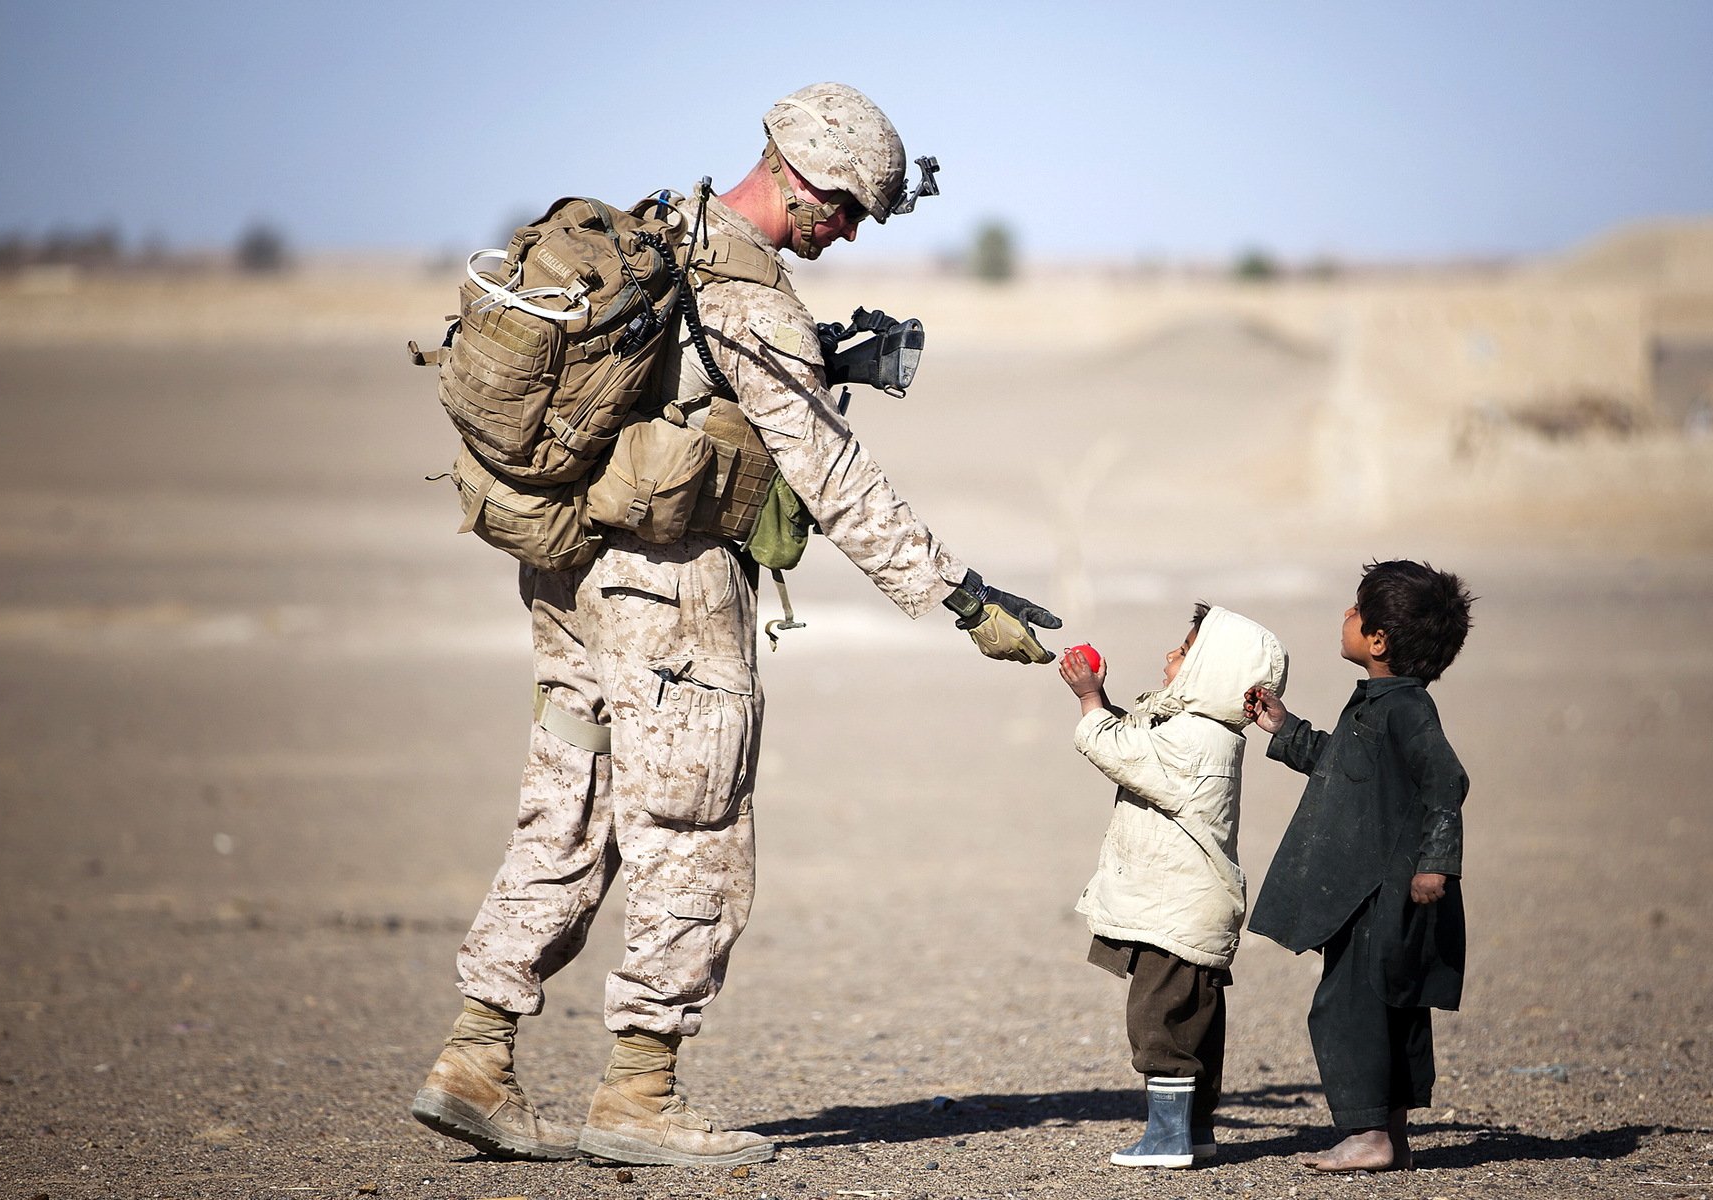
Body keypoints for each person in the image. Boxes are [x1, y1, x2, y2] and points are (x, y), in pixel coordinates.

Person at [411, 83, 1062, 1169]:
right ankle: (640, 1092)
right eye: (845, 210)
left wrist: (814, 367)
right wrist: (961, 596)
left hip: (570, 575)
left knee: (568, 807)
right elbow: (835, 477)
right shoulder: (752, 300)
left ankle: (476, 1055)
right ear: (799, 177)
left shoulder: (664, 234)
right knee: (695, 832)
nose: (847, 234)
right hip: (671, 596)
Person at [1243, 560, 1473, 1173]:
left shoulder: (1407, 710)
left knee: (1350, 1007)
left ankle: (1368, 1134)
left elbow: (1446, 781)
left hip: (1383, 891)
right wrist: (1284, 728)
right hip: (1368, 889)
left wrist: (1436, 863)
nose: (1345, 614)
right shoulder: (1378, 703)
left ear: (1378, 641)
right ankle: (1390, 1135)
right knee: (1387, 1002)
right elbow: (1343, 767)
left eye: (1356, 609)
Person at [1056, 605, 1288, 1169]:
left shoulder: (1197, 739)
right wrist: (1103, 700)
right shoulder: (1199, 732)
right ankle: (1195, 1130)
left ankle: (1167, 1139)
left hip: (1176, 911)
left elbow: (1121, 752)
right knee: (1195, 1023)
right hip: (1187, 907)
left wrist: (1089, 700)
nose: (1169, 656)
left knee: (1158, 1021)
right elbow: (1141, 741)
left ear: (1214, 671)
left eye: (1185, 651)